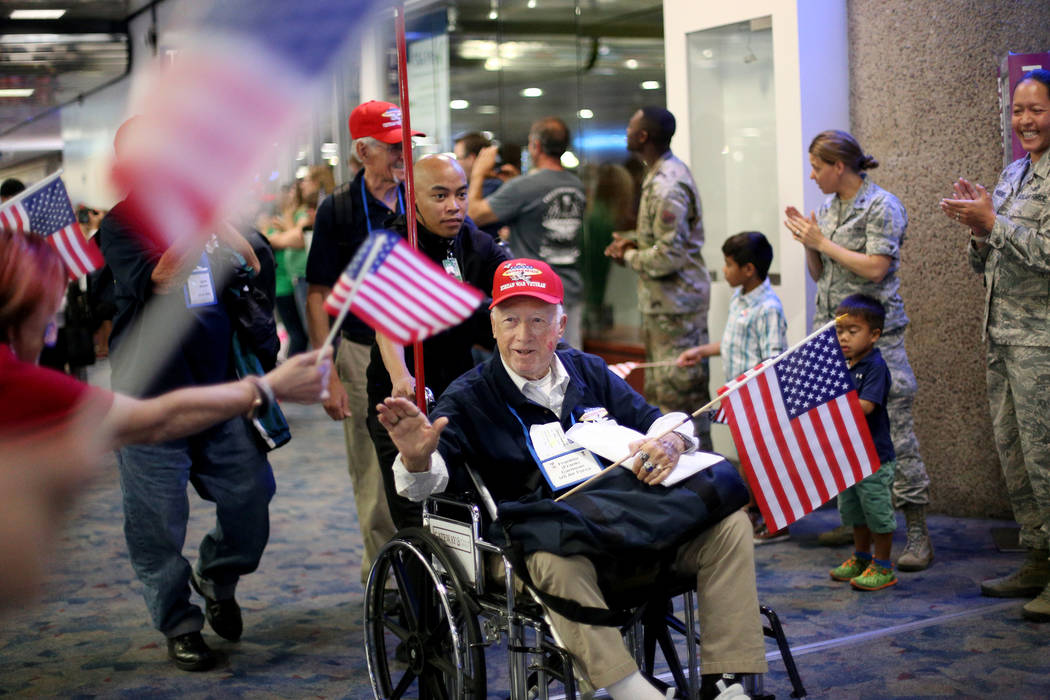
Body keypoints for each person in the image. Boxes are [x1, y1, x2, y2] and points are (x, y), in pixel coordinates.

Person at [377, 258, 767, 700]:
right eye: (510, 321)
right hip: (540, 548)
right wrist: (414, 458)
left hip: (623, 525)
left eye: (538, 321)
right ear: (493, 326)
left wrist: (674, 441)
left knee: (729, 525)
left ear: (560, 325)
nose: (523, 336)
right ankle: (631, 690)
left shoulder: (588, 371)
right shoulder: (469, 397)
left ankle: (727, 680)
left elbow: (659, 422)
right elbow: (424, 487)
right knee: (551, 559)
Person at [0, 226, 331, 651]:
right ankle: (179, 624)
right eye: (50, 313)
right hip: (149, 391)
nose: (52, 333)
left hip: (213, 389)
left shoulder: (31, 384)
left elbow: (250, 262)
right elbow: (160, 279)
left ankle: (215, 574)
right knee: (156, 526)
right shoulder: (125, 226)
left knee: (251, 494)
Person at [784, 129, 934, 571]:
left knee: (895, 435)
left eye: (816, 167)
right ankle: (859, 527)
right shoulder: (830, 209)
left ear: (839, 166)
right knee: (843, 436)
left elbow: (875, 267)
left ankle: (919, 532)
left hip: (876, 344)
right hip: (834, 341)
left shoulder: (881, 205)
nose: (812, 175)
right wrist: (809, 245)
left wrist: (822, 242)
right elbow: (822, 269)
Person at [940, 68, 1050, 621]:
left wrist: (994, 224)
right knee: (1016, 457)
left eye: (1036, 110)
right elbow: (989, 261)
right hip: (1002, 337)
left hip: (1043, 345)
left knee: (1048, 459)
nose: (1025, 121)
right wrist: (979, 230)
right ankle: (1038, 558)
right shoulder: (1012, 174)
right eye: (1018, 111)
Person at [305, 100, 419, 585]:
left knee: (429, 456)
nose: (401, 157)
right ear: (362, 151)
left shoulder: (421, 199)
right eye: (392, 149)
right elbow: (317, 291)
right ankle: (385, 576)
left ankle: (432, 564)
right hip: (358, 347)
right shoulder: (340, 209)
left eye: (405, 147)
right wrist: (324, 368)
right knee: (374, 467)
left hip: (420, 347)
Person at [366, 154, 508, 528]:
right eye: (440, 196)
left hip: (459, 389)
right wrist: (402, 377)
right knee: (416, 509)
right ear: (412, 198)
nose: (454, 206)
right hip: (402, 397)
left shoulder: (476, 243)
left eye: (461, 195)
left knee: (466, 501)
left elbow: (513, 289)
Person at [606, 106, 712, 451]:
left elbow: (670, 255)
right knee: (664, 399)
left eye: (631, 126)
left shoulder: (668, 184)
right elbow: (663, 239)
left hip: (676, 310)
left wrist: (629, 256)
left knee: (681, 402)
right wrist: (634, 241)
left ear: (644, 136)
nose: (626, 130)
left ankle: (704, 484)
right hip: (664, 306)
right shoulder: (658, 174)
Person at [676, 231, 787, 542]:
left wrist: (755, 394)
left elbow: (772, 360)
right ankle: (754, 510)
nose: (724, 271)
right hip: (737, 401)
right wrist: (700, 351)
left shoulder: (768, 308)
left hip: (757, 401)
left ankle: (777, 522)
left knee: (764, 460)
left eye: (728, 265)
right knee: (748, 459)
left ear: (748, 269)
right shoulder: (740, 298)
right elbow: (733, 345)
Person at [466, 117, 586, 348]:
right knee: (570, 365)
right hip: (570, 288)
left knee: (538, 366)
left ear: (536, 146)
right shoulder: (576, 185)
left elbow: (472, 215)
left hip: (537, 293)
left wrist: (479, 172)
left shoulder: (523, 187)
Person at [826, 295, 899, 591]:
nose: (843, 338)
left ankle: (882, 564)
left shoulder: (874, 367)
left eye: (852, 331)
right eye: (840, 331)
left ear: (874, 334)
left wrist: (829, 407)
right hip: (850, 456)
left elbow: (866, 406)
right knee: (854, 511)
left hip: (873, 457)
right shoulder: (843, 364)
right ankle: (861, 557)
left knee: (877, 511)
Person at [453, 130, 504, 239]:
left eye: (458, 158)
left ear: (471, 158)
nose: (455, 163)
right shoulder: (466, 186)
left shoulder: (492, 186)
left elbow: (469, 219)